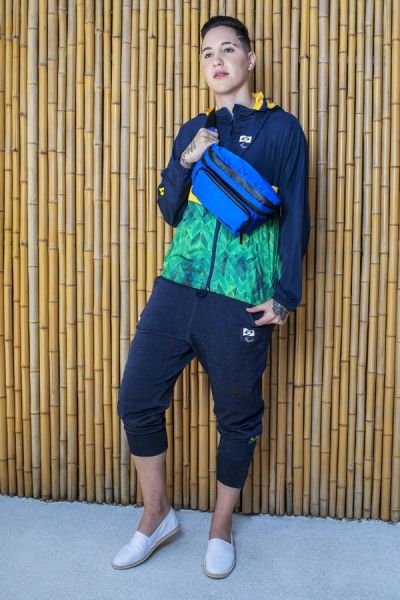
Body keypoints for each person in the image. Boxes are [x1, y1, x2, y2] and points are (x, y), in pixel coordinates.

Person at [112, 15, 310, 578]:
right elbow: (169, 209)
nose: (217, 60)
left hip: (238, 297)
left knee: (237, 417)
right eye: (207, 53)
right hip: (176, 287)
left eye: (228, 49)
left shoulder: (281, 129)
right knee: (137, 399)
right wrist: (186, 159)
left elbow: (297, 214)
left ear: (250, 58)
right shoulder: (192, 130)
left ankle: (220, 527)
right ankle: (157, 516)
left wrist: (286, 295)